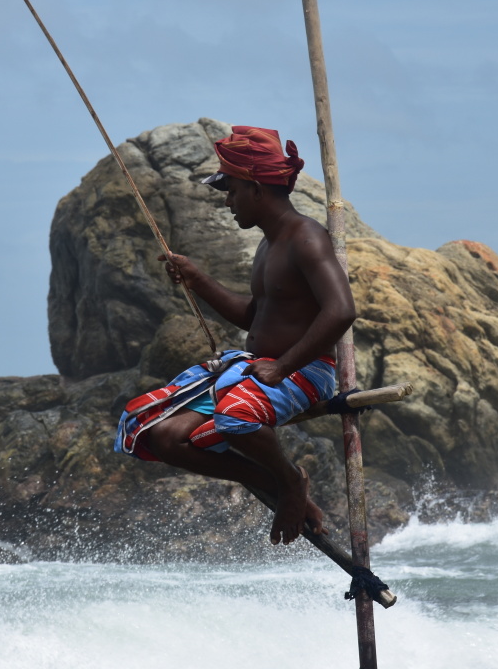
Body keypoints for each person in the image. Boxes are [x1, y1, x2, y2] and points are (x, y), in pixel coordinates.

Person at [113, 125, 356, 546]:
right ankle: (284, 482)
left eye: (231, 191)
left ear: (257, 189)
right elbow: (255, 316)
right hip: (257, 371)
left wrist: (282, 367)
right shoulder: (267, 245)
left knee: (237, 417)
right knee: (157, 432)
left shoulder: (307, 237)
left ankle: (289, 481)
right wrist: (197, 280)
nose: (227, 201)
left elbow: (341, 311)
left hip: (303, 372)